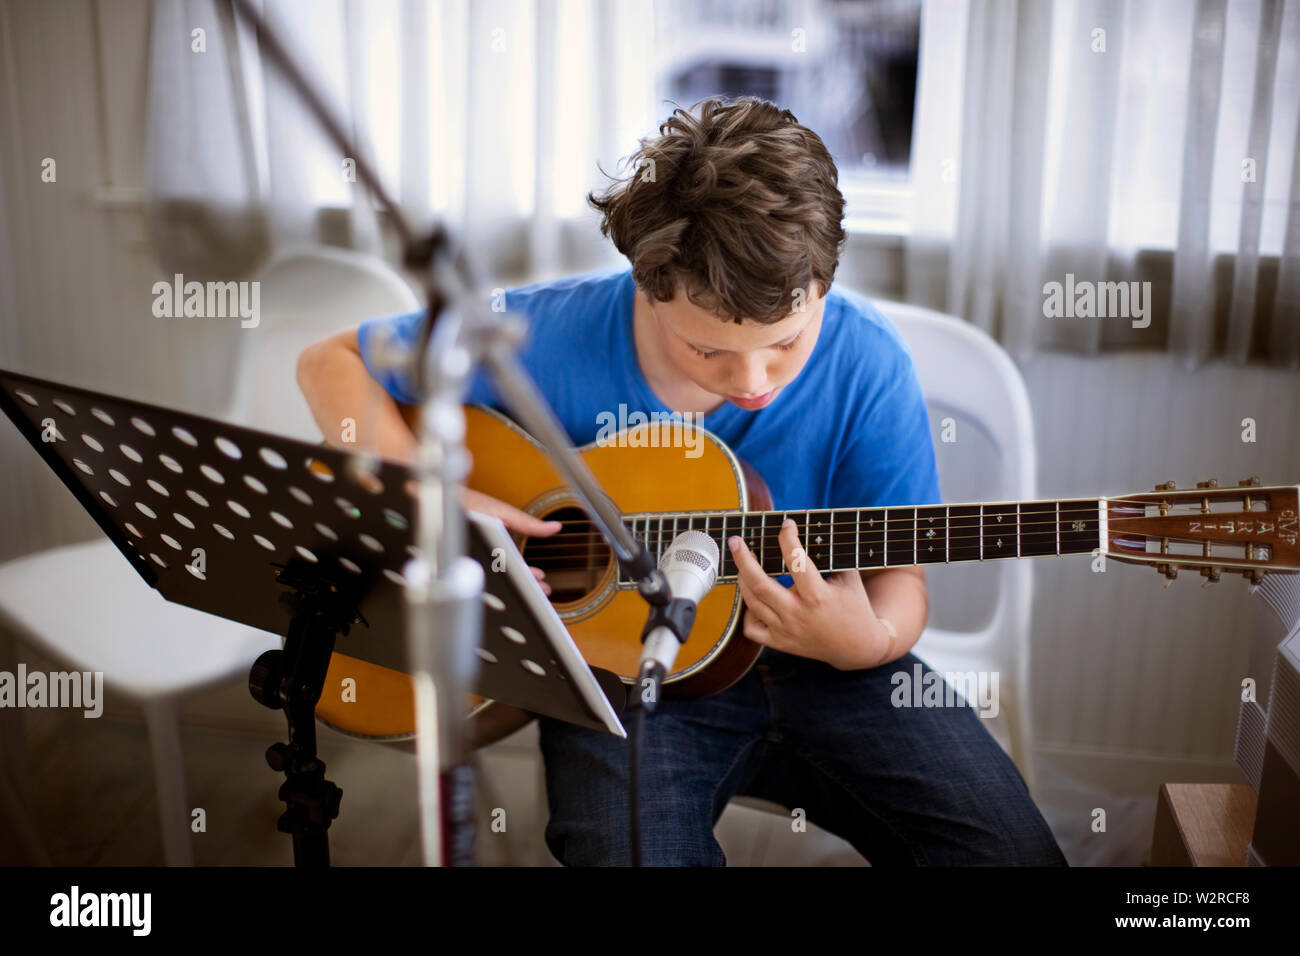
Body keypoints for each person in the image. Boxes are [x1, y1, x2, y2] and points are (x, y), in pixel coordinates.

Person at [296, 96, 1066, 867]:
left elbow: (902, 578)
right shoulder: (546, 332)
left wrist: (869, 640)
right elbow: (330, 362)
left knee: (1012, 854)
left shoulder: (868, 362)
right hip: (630, 672)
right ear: (647, 284)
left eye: (787, 342)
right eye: (709, 352)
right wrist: (433, 495)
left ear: (825, 280)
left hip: (834, 669)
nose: (755, 380)